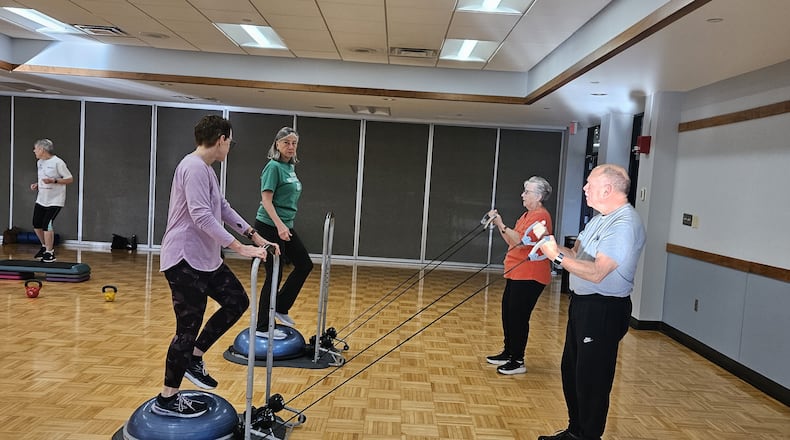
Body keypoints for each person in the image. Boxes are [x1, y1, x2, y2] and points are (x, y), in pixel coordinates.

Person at [153, 115, 279, 418]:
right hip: (184, 258)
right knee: (187, 328)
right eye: (230, 141)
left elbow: (221, 207)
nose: (230, 147)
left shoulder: (205, 170)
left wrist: (254, 234)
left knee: (237, 301)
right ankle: (167, 398)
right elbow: (201, 216)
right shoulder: (193, 167)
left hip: (204, 258)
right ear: (221, 139)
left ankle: (195, 357)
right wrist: (241, 248)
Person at [536, 164, 646, 440]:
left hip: (604, 309)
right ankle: (576, 431)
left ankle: (588, 435)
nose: (584, 188)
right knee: (572, 370)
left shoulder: (624, 223)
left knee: (592, 378)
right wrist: (549, 244)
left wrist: (556, 258)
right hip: (583, 305)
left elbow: (598, 272)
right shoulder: (599, 218)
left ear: (607, 189)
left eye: (589, 184)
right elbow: (576, 253)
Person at [485, 176, 554, 375]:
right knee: (508, 312)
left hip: (530, 275)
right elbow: (512, 241)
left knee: (518, 317)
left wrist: (502, 224)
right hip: (516, 272)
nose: (522, 195)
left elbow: (523, 242)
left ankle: (518, 360)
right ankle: (508, 352)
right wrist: (500, 225)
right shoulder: (526, 216)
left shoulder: (541, 217)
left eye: (527, 192)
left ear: (538, 196)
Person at [254, 127, 313, 339]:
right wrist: (279, 226)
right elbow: (266, 202)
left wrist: (284, 226)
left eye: (294, 143)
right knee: (274, 274)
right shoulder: (273, 167)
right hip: (269, 226)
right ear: (277, 144)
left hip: (285, 225)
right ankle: (261, 327)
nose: (290, 147)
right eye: (286, 142)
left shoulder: (289, 168)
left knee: (305, 264)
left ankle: (280, 306)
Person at [29, 139, 73, 262]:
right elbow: (42, 177)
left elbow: (69, 179)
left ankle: (50, 252)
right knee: (36, 224)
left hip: (55, 200)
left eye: (35, 148)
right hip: (42, 199)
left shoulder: (58, 162)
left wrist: (54, 181)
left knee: (46, 224)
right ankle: (44, 246)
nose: (34, 151)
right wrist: (37, 184)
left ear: (42, 150)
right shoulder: (39, 162)